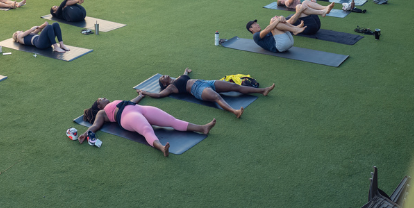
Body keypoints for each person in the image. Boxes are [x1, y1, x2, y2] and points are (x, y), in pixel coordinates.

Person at [79, 93, 216, 157]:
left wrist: (140, 95)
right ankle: (162, 148)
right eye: (101, 99)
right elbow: (95, 126)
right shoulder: (102, 113)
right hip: (127, 117)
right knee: (146, 129)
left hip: (139, 108)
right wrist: (85, 134)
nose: (104, 97)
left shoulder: (115, 101)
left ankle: (202, 128)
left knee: (171, 120)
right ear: (99, 105)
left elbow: (131, 101)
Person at [139, 67, 275, 118]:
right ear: (164, 83)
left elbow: (183, 75)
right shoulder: (170, 88)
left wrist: (186, 71)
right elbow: (159, 95)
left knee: (234, 87)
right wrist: (144, 92)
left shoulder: (176, 78)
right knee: (216, 97)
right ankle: (235, 111)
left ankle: (263, 90)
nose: (164, 75)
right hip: (197, 90)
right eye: (163, 77)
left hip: (206, 82)